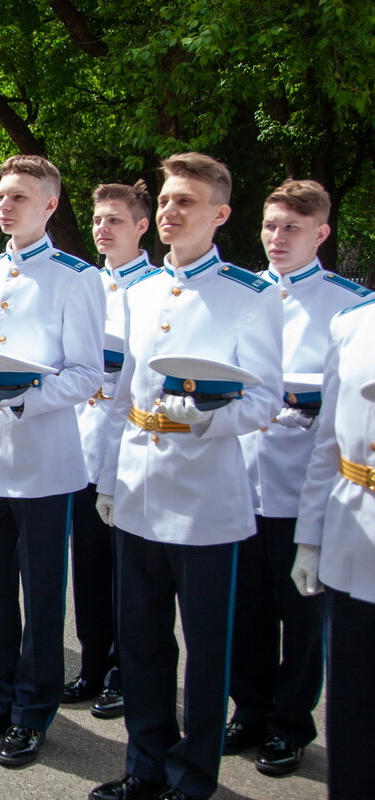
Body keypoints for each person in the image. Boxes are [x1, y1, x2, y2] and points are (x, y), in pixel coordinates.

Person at [91, 153, 282, 800]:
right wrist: (110, 482)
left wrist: (203, 417)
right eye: (167, 200)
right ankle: (145, 766)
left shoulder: (250, 295)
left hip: (207, 500)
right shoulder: (138, 291)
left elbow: (263, 403)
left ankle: (193, 778)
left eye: (186, 203)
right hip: (141, 490)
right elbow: (121, 397)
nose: (170, 213)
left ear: (221, 214)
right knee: (142, 644)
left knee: (205, 654)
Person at [0, 155, 104, 769]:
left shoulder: (76, 277)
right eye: (0, 195)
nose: (5, 205)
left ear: (50, 205)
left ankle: (33, 713)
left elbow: (88, 374)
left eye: (20, 196)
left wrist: (29, 398)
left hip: (43, 462)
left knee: (41, 595)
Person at [229, 180, 369, 776]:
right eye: (270, 226)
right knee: (247, 611)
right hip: (240, 478)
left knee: (301, 618)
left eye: (291, 228)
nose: (277, 238)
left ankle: (290, 725)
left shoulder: (348, 304)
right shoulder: (239, 292)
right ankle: (250, 711)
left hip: (303, 487)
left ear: (321, 234)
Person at [64, 181, 155, 721]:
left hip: (130, 445)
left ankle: (126, 672)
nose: (103, 229)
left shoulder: (156, 288)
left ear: (141, 227)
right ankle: (93, 665)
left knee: (131, 575)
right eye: (98, 219)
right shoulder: (84, 283)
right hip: (80, 442)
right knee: (89, 568)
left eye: (115, 220)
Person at [293, 291, 375, 799]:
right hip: (352, 537)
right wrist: (310, 538)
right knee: (352, 710)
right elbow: (327, 445)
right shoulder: (352, 323)